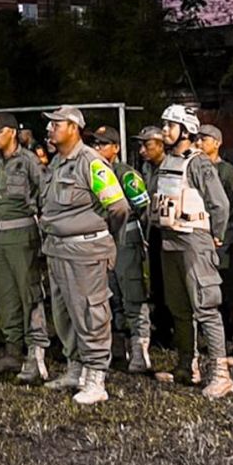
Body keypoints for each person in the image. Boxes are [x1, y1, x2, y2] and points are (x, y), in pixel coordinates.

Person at [39, 108, 129, 404]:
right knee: (64, 313)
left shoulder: (90, 162)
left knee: (91, 313)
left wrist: (101, 236)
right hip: (57, 249)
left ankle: (95, 378)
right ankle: (74, 368)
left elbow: (118, 207)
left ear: (74, 128)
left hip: (85, 251)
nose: (50, 129)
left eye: (56, 124)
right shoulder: (56, 163)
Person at [154, 104, 233, 399]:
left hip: (193, 241)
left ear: (186, 130)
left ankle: (221, 374)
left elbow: (220, 204)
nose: (164, 131)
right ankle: (187, 365)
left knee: (206, 307)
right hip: (169, 241)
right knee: (179, 308)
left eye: (169, 126)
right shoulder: (166, 162)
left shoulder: (198, 164)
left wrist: (216, 236)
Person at [0, 111, 50, 383]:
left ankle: (36, 355)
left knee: (29, 294)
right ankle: (12, 351)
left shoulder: (29, 161)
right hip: (0, 237)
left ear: (11, 132)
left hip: (23, 236)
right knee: (6, 295)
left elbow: (45, 193)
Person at [90, 125, 152, 373]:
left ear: (115, 148)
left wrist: (142, 241)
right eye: (95, 144)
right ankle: (117, 347)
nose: (97, 149)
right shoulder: (92, 172)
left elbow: (144, 208)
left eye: (103, 144)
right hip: (103, 240)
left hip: (126, 239)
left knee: (133, 295)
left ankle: (140, 350)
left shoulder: (126, 174)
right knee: (110, 295)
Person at [196, 124, 233, 364]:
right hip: (203, 238)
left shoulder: (228, 172)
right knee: (209, 293)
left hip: (226, 241)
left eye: (205, 139)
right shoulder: (196, 170)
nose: (199, 143)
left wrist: (232, 225)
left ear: (217, 142)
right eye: (198, 139)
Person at [138, 126, 172, 349]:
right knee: (158, 282)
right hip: (154, 230)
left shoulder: (173, 168)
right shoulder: (146, 168)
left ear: (160, 146)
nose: (142, 150)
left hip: (172, 232)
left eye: (147, 145)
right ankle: (162, 329)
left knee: (173, 283)